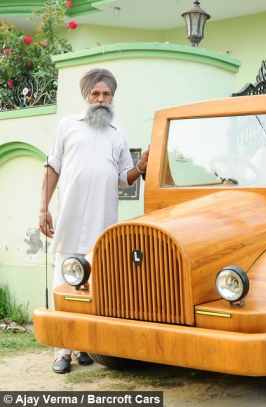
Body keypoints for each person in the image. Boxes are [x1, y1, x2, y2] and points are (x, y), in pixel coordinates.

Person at [39, 68, 149, 373]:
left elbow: (123, 180)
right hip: (70, 222)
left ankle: (86, 345)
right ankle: (62, 352)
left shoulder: (118, 133)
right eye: (96, 94)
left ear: (112, 97)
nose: (101, 99)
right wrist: (43, 209)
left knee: (95, 286)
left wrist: (139, 167)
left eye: (107, 94)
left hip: (103, 224)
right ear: (87, 96)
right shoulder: (67, 126)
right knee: (65, 283)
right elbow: (52, 169)